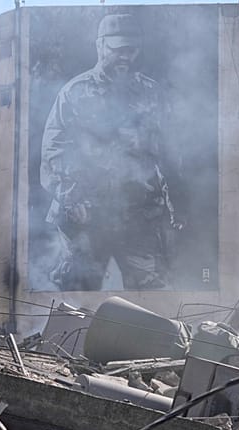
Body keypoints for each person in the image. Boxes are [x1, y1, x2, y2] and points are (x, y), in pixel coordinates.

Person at [40, 13, 183, 291]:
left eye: (131, 50)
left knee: (150, 290)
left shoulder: (152, 93)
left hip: (138, 214)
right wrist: (71, 198)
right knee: (78, 288)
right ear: (100, 47)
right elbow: (54, 149)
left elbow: (169, 151)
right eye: (118, 49)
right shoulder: (75, 93)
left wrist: (177, 201)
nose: (125, 57)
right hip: (87, 215)